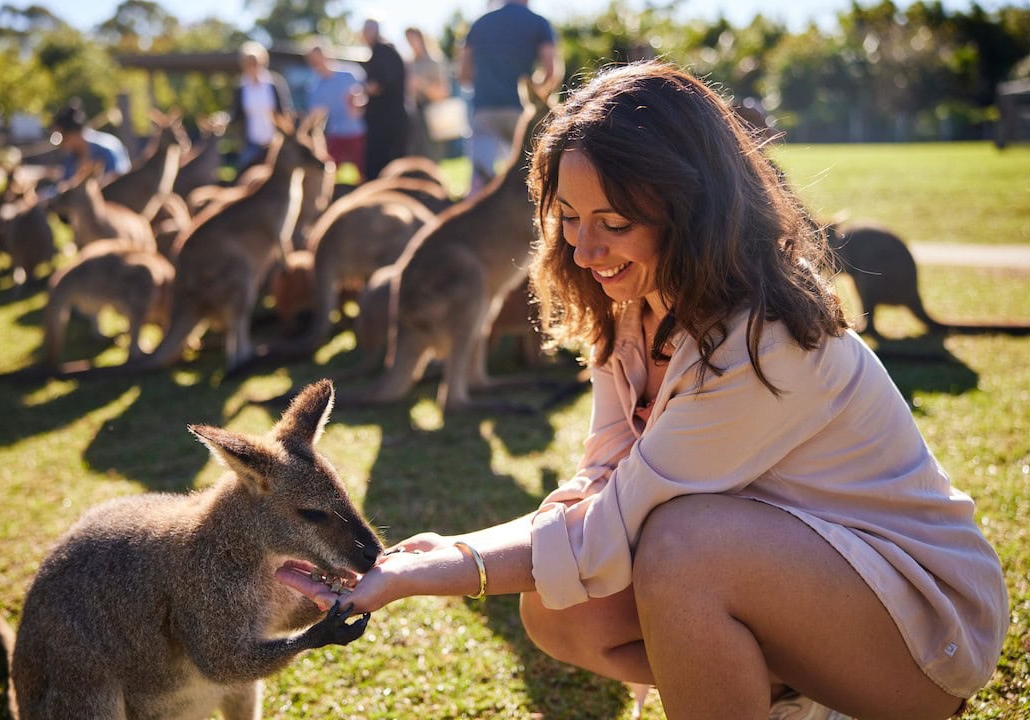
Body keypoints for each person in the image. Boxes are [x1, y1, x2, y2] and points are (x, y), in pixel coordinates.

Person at [277, 61, 1009, 719]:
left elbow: (623, 519)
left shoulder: (767, 335)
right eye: (566, 220)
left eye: (614, 223)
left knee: (680, 546)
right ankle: (778, 695)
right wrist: (447, 550)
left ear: (693, 214)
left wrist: (430, 571)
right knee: (560, 610)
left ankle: (808, 695)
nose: (584, 251)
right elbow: (602, 478)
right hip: (794, 582)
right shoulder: (634, 310)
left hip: (923, 636)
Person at [458, 0, 561, 194]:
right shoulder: (538, 22)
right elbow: (551, 72)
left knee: (480, 181)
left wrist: (486, 84)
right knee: (524, 181)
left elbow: (463, 74)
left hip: (484, 108)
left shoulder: (480, 23)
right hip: (519, 111)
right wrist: (534, 92)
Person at [230, 40, 294, 177]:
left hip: (274, 143)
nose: (252, 66)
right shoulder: (241, 87)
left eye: (255, 62)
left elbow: (285, 111)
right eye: (248, 62)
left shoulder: (274, 83)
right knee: (244, 174)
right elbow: (236, 114)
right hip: (251, 142)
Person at [304, 44, 367, 181]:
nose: (317, 63)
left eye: (318, 58)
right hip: (335, 135)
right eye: (313, 60)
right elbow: (316, 115)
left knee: (362, 173)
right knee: (331, 175)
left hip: (357, 132)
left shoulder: (350, 74)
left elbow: (363, 97)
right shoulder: (315, 87)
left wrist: (357, 102)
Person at [359, 19, 408, 180]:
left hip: (385, 124)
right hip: (390, 122)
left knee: (381, 169)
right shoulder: (386, 52)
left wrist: (359, 92)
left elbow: (378, 85)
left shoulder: (382, 52)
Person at [50, 99, 131, 182]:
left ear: (73, 133)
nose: (61, 143)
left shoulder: (107, 149)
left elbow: (122, 180)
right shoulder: (71, 158)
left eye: (62, 137)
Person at [404, 26, 451, 161]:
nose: (411, 44)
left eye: (413, 39)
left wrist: (421, 84)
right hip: (415, 113)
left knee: (432, 156)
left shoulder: (433, 62)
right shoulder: (410, 63)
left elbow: (443, 92)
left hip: (432, 113)